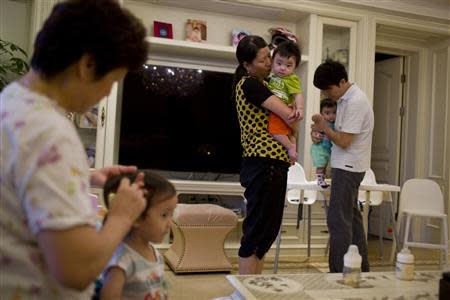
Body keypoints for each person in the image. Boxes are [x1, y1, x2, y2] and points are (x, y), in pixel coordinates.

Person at [0, 0, 149, 298]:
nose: (107, 93)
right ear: (88, 64)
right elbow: (77, 272)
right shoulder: (50, 132)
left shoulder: (11, 102)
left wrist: (84, 175)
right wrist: (121, 215)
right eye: (113, 81)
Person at [232, 35, 297, 274]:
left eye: (268, 56)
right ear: (247, 65)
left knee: (267, 230)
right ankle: (246, 291)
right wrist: (294, 121)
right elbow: (290, 117)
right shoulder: (251, 84)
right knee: (258, 230)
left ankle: (254, 288)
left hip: (272, 162)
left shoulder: (266, 83)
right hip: (263, 161)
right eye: (262, 60)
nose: (269, 63)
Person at [311, 59, 374, 273]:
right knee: (352, 221)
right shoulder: (345, 100)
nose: (327, 95)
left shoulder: (356, 101)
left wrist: (323, 127)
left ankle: (338, 273)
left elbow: (344, 141)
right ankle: (361, 270)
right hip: (346, 165)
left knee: (337, 220)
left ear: (342, 81)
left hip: (349, 167)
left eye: (328, 89)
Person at [99, 171, 177, 300]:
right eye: (164, 215)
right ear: (136, 217)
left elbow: (160, 288)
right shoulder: (121, 262)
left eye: (171, 214)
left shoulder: (155, 253)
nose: (170, 223)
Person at [267, 40, 304, 162]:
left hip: (282, 109)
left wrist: (299, 108)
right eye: (279, 63)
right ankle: (292, 141)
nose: (282, 68)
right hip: (275, 109)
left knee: (273, 130)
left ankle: (290, 147)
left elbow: (297, 94)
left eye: (288, 66)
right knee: (287, 132)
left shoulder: (291, 79)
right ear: (272, 61)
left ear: (295, 67)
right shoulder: (270, 75)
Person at [310, 98, 336, 188]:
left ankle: (322, 180)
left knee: (324, 166)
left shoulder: (335, 123)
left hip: (327, 148)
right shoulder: (322, 123)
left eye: (334, 112)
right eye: (327, 113)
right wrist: (316, 134)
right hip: (319, 147)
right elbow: (314, 129)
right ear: (321, 114)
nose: (331, 116)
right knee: (320, 165)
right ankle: (319, 180)